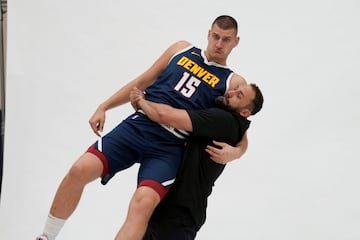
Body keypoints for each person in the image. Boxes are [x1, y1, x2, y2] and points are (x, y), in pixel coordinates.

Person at [36, 15, 246, 240]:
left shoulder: (232, 82)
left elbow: (239, 128)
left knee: (143, 203)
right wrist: (104, 106)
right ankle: (46, 236)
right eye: (215, 36)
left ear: (236, 41)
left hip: (171, 145)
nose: (218, 44)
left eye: (226, 39)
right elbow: (144, 80)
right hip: (139, 126)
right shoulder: (181, 49)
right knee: (79, 170)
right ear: (208, 33)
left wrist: (236, 152)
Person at [129, 83, 264, 240]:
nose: (230, 92)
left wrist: (141, 101)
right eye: (235, 89)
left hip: (180, 216)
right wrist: (240, 151)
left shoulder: (224, 121)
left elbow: (165, 116)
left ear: (245, 112)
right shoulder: (231, 120)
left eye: (238, 95)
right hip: (167, 206)